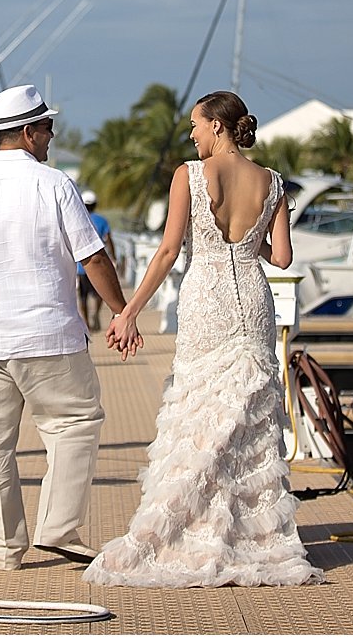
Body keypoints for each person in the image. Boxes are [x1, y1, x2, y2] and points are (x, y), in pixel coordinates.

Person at [84, 89, 321, 588]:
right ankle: (250, 538)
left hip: (206, 298)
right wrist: (262, 223)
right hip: (253, 299)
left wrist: (128, 311)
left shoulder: (188, 177)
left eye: (195, 124)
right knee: (248, 421)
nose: (190, 134)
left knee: (199, 414)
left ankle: (191, 528)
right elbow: (281, 260)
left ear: (218, 125)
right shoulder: (274, 182)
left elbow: (169, 250)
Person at [0, 84, 135, 572]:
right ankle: (58, 529)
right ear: (27, 131)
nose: (51, 137)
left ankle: (5, 550)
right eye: (47, 129)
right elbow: (93, 256)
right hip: (49, 338)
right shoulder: (53, 184)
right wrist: (122, 311)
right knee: (74, 425)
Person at [76, 188, 117, 331]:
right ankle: (96, 314)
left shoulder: (77, 218)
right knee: (100, 293)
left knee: (83, 296)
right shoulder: (102, 220)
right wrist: (114, 258)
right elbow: (109, 240)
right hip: (99, 262)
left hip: (81, 266)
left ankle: (86, 322)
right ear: (95, 204)